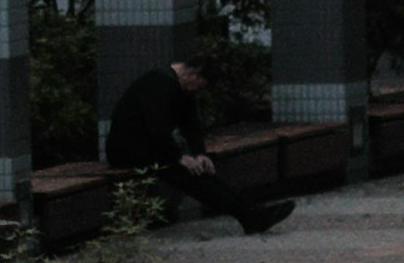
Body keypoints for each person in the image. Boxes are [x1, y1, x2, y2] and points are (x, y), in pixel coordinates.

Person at [104, 51, 291, 231]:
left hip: (150, 146)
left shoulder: (181, 88)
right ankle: (249, 216)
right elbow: (157, 127)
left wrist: (200, 153)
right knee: (184, 171)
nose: (196, 89)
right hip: (127, 149)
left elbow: (190, 124)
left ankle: (250, 213)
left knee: (200, 169)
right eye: (198, 84)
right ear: (191, 73)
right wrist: (178, 157)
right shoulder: (158, 83)